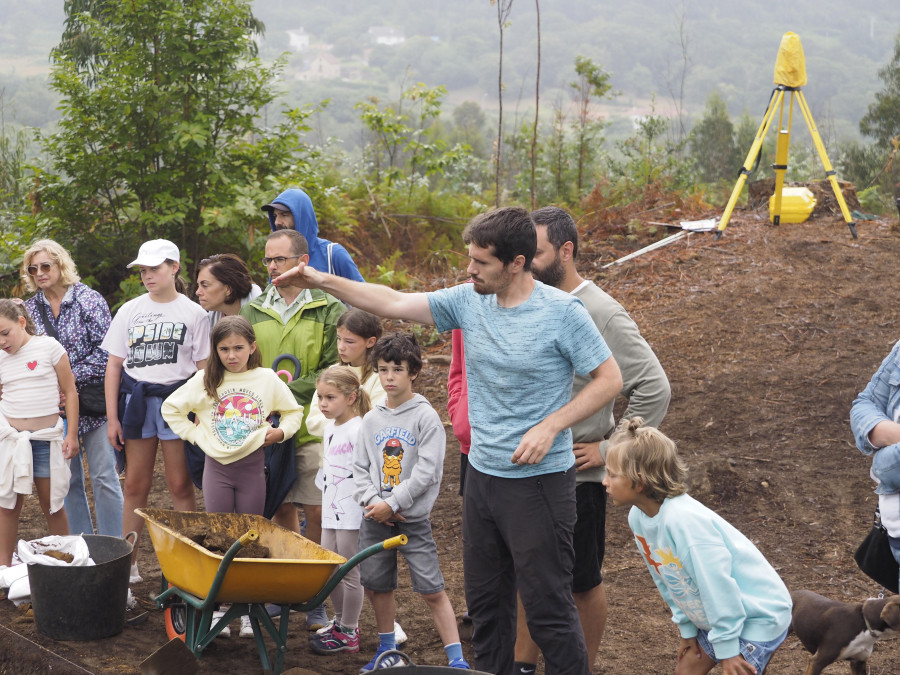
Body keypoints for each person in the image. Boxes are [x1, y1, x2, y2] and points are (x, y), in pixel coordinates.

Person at [272, 206, 623, 675]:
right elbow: (391, 301)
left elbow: (609, 379)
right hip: (481, 475)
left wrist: (551, 425)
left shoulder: (562, 313)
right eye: (470, 258)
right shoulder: (467, 300)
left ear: (516, 262)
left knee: (547, 608)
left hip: (539, 483)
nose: (470, 269)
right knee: (486, 604)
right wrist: (322, 281)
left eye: (481, 262)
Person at [514, 206, 672, 673]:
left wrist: (609, 449)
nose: (527, 261)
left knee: (580, 580)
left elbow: (653, 386)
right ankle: (522, 665)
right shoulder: (531, 301)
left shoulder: (599, 310)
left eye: (537, 252)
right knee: (529, 574)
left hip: (577, 475)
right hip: (529, 465)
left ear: (566, 251)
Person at [603, 418, 791, 675]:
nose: (605, 482)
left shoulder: (685, 523)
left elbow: (717, 586)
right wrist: (688, 629)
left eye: (612, 475)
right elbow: (666, 579)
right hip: (718, 615)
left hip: (757, 615)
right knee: (686, 670)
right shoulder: (639, 518)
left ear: (639, 481)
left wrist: (727, 650)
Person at [162, 315, 304, 639]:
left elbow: (294, 411)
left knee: (251, 536)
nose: (232, 355)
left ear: (252, 347)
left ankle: (250, 609)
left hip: (253, 469)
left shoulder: (267, 379)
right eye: (224, 349)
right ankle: (220, 608)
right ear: (215, 350)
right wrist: (196, 436)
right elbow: (171, 408)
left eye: (239, 348)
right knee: (220, 535)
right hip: (218, 470)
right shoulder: (206, 380)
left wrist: (280, 432)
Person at [240, 229, 344, 630]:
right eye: (267, 260)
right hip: (267, 424)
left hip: (315, 421)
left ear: (302, 262)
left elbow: (335, 366)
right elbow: (243, 363)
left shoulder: (328, 307)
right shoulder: (253, 310)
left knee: (316, 508)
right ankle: (283, 589)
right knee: (279, 505)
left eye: (279, 260)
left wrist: (286, 389)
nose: (271, 268)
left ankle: (314, 594)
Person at [352, 332, 469, 671]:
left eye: (397, 370)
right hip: (375, 518)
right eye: (383, 369)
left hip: (412, 521)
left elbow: (429, 473)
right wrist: (375, 503)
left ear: (413, 372)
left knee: (431, 589)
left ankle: (456, 659)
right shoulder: (371, 419)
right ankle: (387, 652)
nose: (389, 377)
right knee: (378, 586)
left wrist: (395, 503)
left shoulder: (425, 417)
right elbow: (359, 468)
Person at [102, 239, 210, 579]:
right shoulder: (129, 310)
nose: (148, 275)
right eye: (144, 270)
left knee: (180, 483)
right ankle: (128, 564)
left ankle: (188, 559)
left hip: (178, 404)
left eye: (155, 269)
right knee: (135, 483)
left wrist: (201, 414)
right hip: (137, 404)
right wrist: (112, 418)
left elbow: (204, 369)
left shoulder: (194, 313)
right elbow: (114, 366)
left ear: (174, 268)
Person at [22, 239, 124, 538]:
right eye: (33, 268)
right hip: (54, 406)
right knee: (67, 481)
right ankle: (82, 548)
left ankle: (113, 548)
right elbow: (27, 353)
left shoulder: (88, 300)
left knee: (105, 476)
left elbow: (107, 351)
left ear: (60, 265)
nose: (39, 273)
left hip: (92, 402)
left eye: (45, 266)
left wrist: (67, 377)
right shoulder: (30, 309)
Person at [0, 299, 79, 566]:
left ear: (21, 322)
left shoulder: (49, 347)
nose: (2, 341)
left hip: (46, 439)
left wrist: (72, 434)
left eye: (4, 332)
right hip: (12, 442)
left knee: (53, 503)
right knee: (7, 505)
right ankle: (3, 568)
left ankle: (66, 562)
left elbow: (70, 392)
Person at [308, 365, 372, 655]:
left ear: (351, 397)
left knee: (349, 570)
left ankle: (349, 629)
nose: (323, 404)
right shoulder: (330, 428)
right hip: (331, 508)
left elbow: (366, 471)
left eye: (330, 397)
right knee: (328, 568)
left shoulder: (360, 428)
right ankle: (339, 622)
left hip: (352, 512)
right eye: (320, 397)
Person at [850, 339, 900, 586]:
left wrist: (880, 462)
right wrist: (894, 434)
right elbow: (864, 404)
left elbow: (890, 471)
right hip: (895, 534)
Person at [305, 308, 385, 439]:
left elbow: (374, 423)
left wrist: (337, 419)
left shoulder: (380, 377)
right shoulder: (332, 371)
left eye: (349, 341)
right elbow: (313, 423)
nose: (341, 346)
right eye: (338, 339)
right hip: (329, 457)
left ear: (370, 342)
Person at [263, 188, 364, 281]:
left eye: (284, 215)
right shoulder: (275, 262)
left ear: (302, 217)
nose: (277, 222)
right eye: (275, 216)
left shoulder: (333, 254)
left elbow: (362, 295)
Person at [195, 253, 263, 329]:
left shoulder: (264, 318)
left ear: (228, 289)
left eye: (205, 285)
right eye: (198, 285)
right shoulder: (208, 322)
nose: (198, 292)